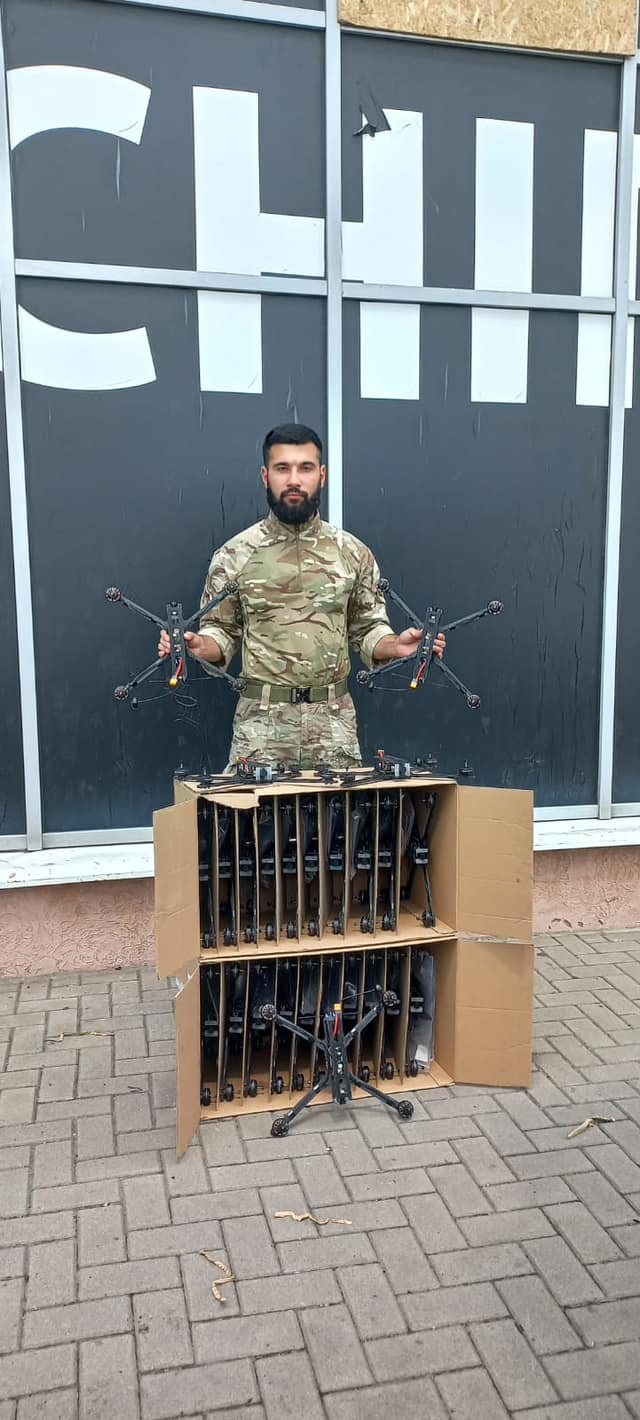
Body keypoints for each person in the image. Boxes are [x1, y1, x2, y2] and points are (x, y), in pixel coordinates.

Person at [158, 423, 445, 769]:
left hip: (334, 728)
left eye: (305, 468)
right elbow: (221, 632)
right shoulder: (234, 555)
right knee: (255, 808)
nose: (294, 480)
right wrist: (197, 646)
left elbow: (368, 629)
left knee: (338, 808)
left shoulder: (352, 553)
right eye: (282, 468)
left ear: (322, 475)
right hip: (260, 730)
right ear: (265, 476)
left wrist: (397, 646)